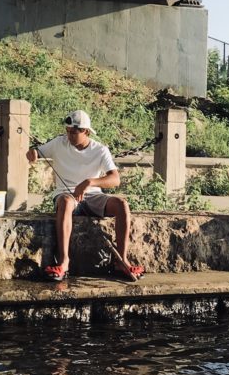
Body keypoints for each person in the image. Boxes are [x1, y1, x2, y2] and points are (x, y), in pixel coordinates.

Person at [26, 110, 144, 282]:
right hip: (66, 195)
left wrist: (90, 182)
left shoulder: (100, 150)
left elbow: (115, 179)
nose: (70, 135)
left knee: (122, 204)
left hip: (93, 195)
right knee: (66, 201)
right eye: (68, 131)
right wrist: (33, 153)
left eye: (74, 132)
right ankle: (64, 262)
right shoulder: (59, 143)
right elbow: (37, 151)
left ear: (86, 132)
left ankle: (122, 261)